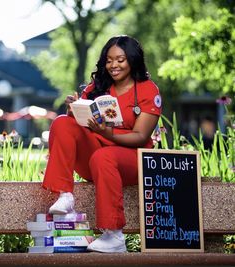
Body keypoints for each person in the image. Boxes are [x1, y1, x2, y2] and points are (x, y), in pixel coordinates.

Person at [42, 35, 162, 253]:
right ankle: (65, 195)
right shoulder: (98, 86)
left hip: (132, 160)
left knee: (104, 156)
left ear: (133, 60)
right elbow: (78, 122)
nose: (113, 65)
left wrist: (107, 132)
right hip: (97, 156)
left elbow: (140, 136)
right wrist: (74, 109)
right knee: (61, 123)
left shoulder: (148, 90)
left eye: (120, 59)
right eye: (109, 60)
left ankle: (114, 236)